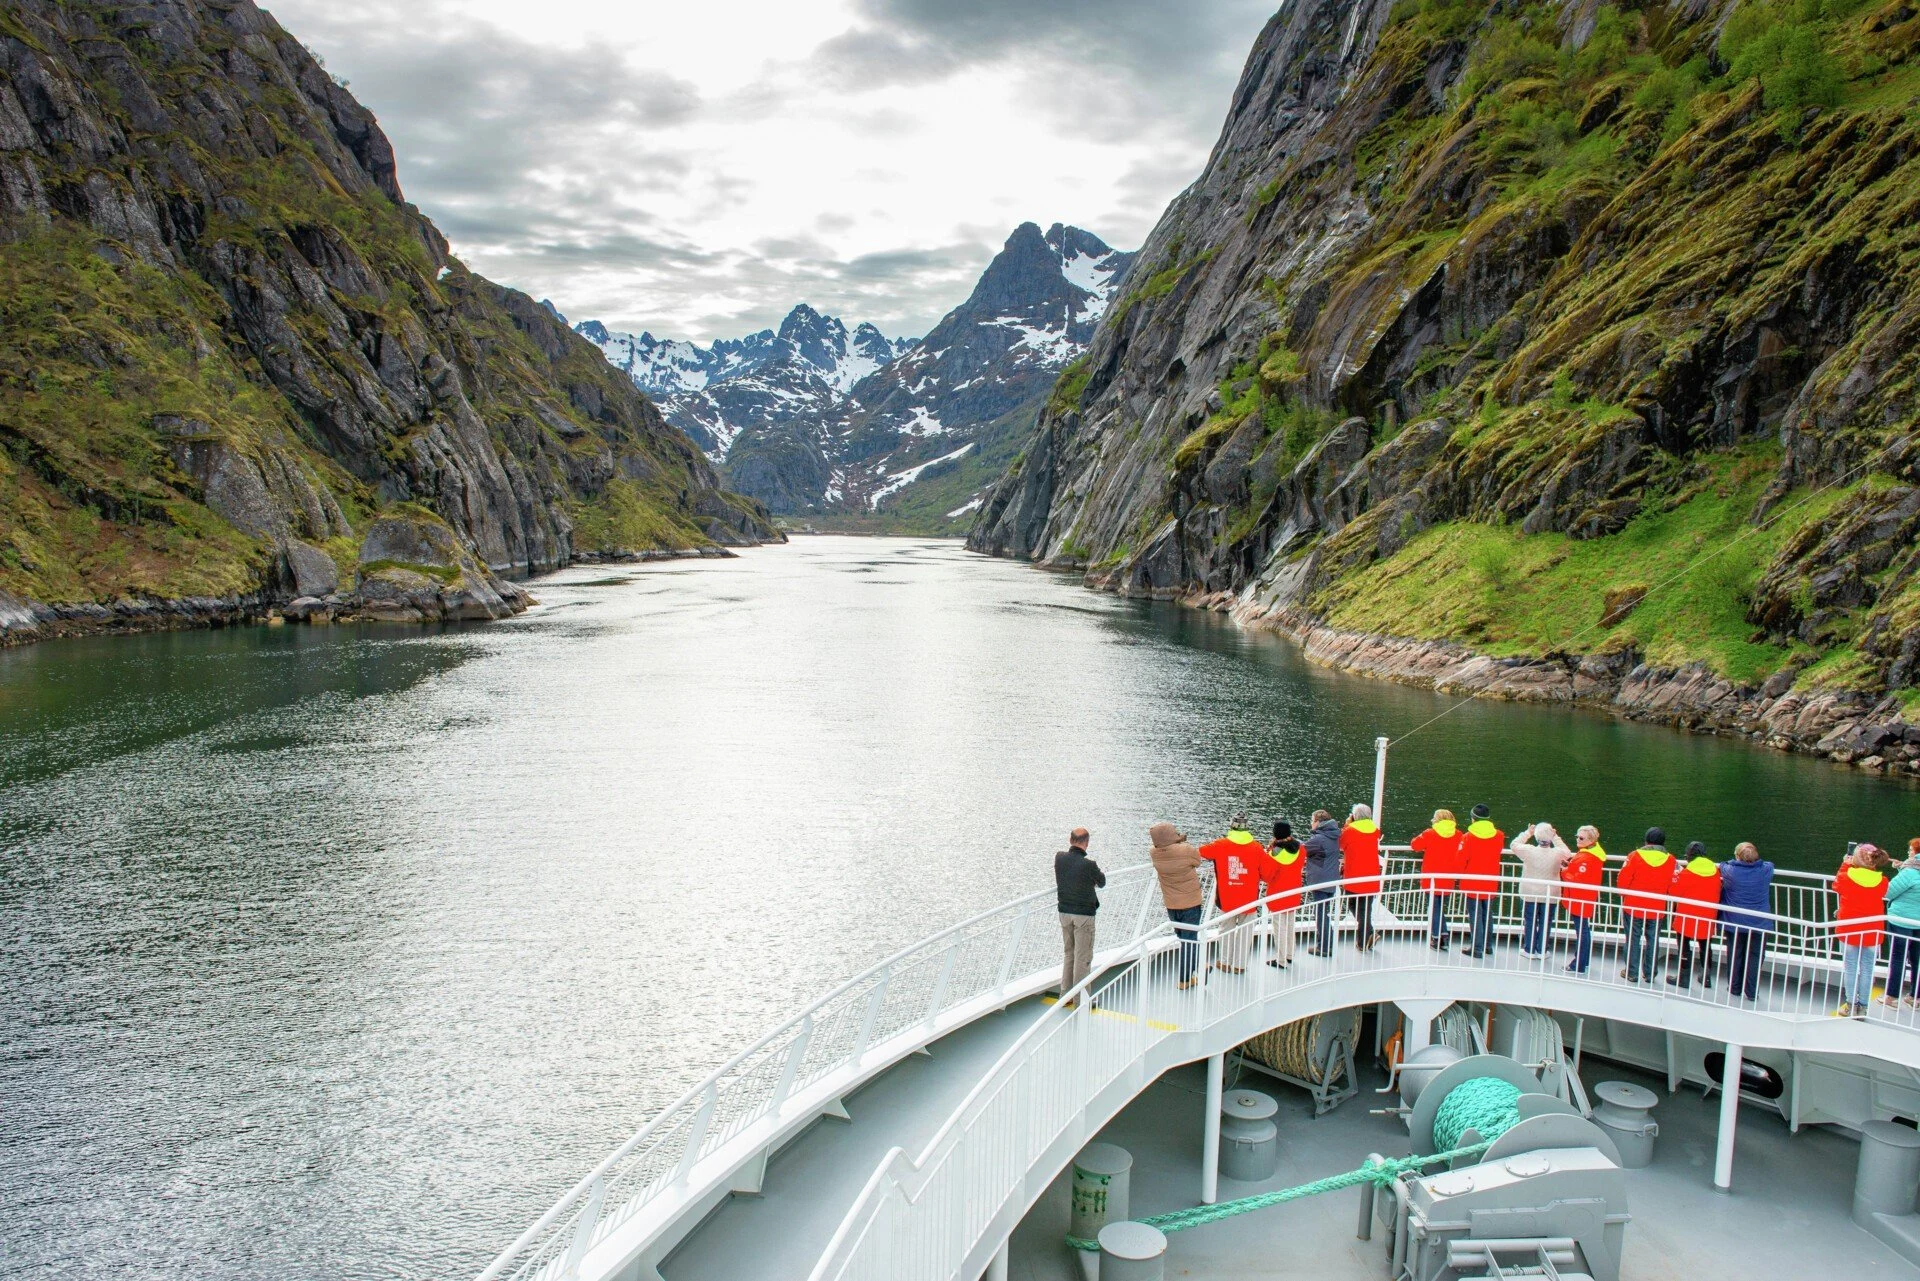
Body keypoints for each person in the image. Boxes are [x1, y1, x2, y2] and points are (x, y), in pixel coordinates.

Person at [1199, 814, 1278, 974]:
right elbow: (1268, 874)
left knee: (1225, 930)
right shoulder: (1256, 848)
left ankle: (1225, 962)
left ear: (1231, 827)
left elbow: (1201, 852)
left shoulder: (1220, 845)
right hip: (1249, 900)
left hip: (1227, 899)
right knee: (1245, 932)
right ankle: (1239, 966)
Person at [1149, 821, 1206, 990]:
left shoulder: (1154, 853)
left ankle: (1198, 968)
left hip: (1171, 905)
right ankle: (1184, 979)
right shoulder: (1186, 850)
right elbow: (1197, 861)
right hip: (1191, 903)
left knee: (1184, 939)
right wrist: (1181, 842)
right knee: (1190, 941)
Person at [1835, 844, 1889, 1018]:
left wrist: (1845, 864)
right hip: (1872, 931)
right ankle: (1863, 1007)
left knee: (1850, 968)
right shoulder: (1883, 881)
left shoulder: (1845, 876)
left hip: (1849, 930)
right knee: (1867, 970)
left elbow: (1836, 886)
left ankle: (1850, 1005)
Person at [1054, 828, 1105, 1006]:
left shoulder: (1059, 858)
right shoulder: (1089, 865)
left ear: (1070, 839)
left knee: (1069, 954)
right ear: (1087, 842)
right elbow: (1102, 882)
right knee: (1083, 958)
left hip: (1064, 912)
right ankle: (1081, 1000)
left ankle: (1065, 995)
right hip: (1083, 915)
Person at [1617, 828, 1675, 983]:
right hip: (1657, 908)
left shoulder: (1634, 856)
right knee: (1653, 939)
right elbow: (1672, 884)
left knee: (1633, 939)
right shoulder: (1671, 860)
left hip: (1634, 905)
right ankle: (1650, 974)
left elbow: (1623, 880)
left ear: (1646, 840)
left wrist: (1624, 895)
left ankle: (1632, 972)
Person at [1719, 841, 1775, 1001]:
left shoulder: (1730, 870)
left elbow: (1722, 865)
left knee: (1735, 954)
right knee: (1755, 956)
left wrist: (1733, 861)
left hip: (1735, 921)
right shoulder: (1766, 870)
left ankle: (1734, 988)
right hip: (1760, 923)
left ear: (1737, 856)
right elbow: (1770, 864)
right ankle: (1751, 992)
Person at [1668, 842, 1723, 989]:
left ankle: (1683, 979)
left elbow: (1674, 893)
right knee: (1705, 945)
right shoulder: (1715, 871)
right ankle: (1706, 978)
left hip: (1688, 915)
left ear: (1689, 856)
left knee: (1684, 946)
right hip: (1708, 915)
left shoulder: (1687, 872)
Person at [1513, 821, 1571, 958]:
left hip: (1530, 893)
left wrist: (1527, 833)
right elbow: (1567, 852)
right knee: (1546, 921)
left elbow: (1514, 844)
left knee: (1530, 920)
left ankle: (1529, 949)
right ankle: (1542, 950)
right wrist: (1555, 836)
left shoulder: (1529, 851)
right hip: (1550, 893)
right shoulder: (1558, 853)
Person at [1459, 805, 1506, 958]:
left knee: (1475, 914)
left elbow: (1461, 859)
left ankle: (1476, 948)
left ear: (1473, 818)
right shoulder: (1499, 835)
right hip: (1491, 880)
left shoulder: (1468, 837)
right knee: (1487, 913)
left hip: (1472, 880)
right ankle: (1487, 946)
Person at [1411, 809, 1462, 950]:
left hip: (1431, 877)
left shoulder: (1430, 833)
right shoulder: (1458, 834)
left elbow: (1414, 845)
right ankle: (1443, 936)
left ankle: (1438, 937)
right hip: (1448, 878)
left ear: (1436, 819)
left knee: (1434, 908)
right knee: (1439, 908)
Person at [1561, 827, 1606, 974]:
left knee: (1582, 931)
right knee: (1584, 930)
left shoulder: (1589, 857)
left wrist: (1564, 871)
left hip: (1580, 898)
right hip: (1583, 897)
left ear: (1591, 840)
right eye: (1577, 836)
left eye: (1581, 838)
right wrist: (1570, 866)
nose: (1577, 839)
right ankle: (1583, 961)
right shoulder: (1591, 853)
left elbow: (1577, 879)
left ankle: (1578, 965)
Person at [1341, 803, 1384, 952]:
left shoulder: (1350, 831)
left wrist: (1346, 825)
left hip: (1355, 875)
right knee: (1365, 909)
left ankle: (1363, 941)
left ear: (1354, 816)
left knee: (1355, 906)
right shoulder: (1374, 830)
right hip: (1371, 875)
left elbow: (1340, 844)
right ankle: (1369, 934)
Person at [1265, 820, 1306, 968]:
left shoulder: (1274, 855)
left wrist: (1269, 851)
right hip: (1294, 893)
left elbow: (1267, 875)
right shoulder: (1301, 850)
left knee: (1279, 928)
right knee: (1290, 925)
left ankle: (1280, 960)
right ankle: (1289, 954)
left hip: (1277, 895)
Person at [1884, 839, 1920, 1008]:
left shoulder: (1909, 873)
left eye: (1911, 850)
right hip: (1918, 923)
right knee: (1917, 960)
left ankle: (1891, 997)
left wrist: (1902, 870)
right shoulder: (1910, 870)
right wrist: (1902, 867)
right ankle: (1916, 997)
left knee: (1897, 959)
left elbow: (1888, 892)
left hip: (1901, 922)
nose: (1908, 852)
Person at [1303, 809, 1343, 956]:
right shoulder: (1334, 836)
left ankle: (1323, 947)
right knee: (1324, 913)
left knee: (1320, 914)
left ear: (1318, 822)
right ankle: (1327, 944)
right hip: (1331, 880)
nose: (1311, 824)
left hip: (1320, 881)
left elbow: (1302, 850)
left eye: (1312, 821)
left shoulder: (1319, 839)